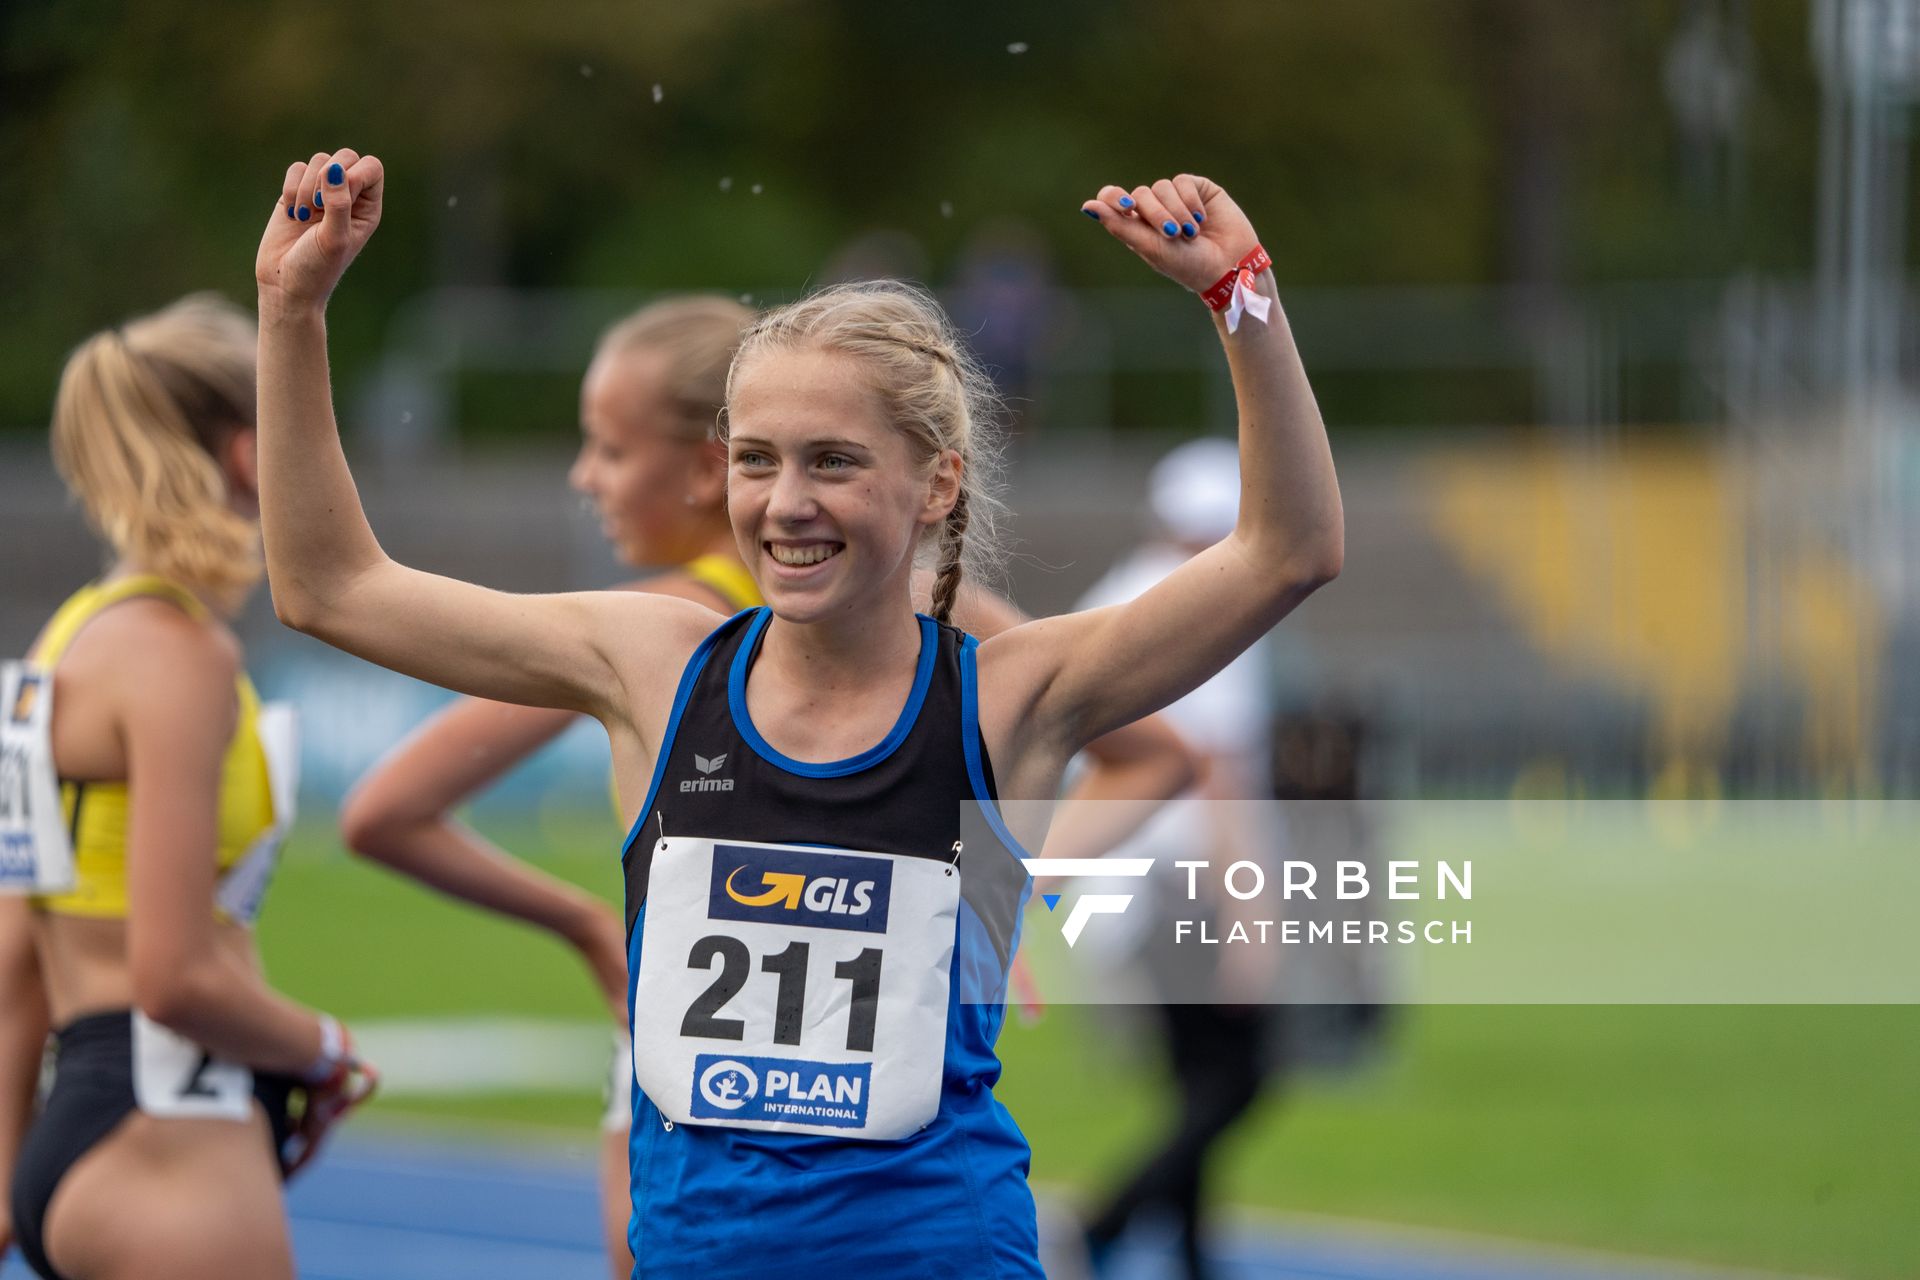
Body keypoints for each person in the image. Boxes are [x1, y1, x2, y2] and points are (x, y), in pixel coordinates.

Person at [254, 151, 1341, 1277]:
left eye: (833, 461)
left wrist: (1242, 295)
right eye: (758, 461)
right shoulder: (654, 662)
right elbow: (330, 587)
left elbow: (1288, 551)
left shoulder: (1010, 690)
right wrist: (292, 313)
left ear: (937, 483)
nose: (787, 503)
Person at [338, 295, 1197, 1278]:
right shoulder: (652, 649)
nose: (586, 477)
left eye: (609, 448)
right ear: (731, 462)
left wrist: (1004, 885)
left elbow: (1156, 746)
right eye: (762, 454)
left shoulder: (913, 606)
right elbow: (346, 619)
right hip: (702, 1118)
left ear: (695, 461)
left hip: (911, 1204)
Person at [0, 295, 374, 1280]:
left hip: (82, 1135)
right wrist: (326, 1046)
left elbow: (14, 961)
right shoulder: (181, 656)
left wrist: (10, 1176)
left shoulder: (68, 637)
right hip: (171, 1132)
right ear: (252, 454)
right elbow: (174, 975)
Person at [1073, 438, 1287, 1279]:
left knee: (1196, 1080)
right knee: (1237, 1081)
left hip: (1115, 878)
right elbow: (1220, 780)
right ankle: (1109, 1220)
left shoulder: (1114, 596)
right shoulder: (1213, 611)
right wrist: (1252, 919)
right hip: (1181, 884)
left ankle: (1194, 1255)